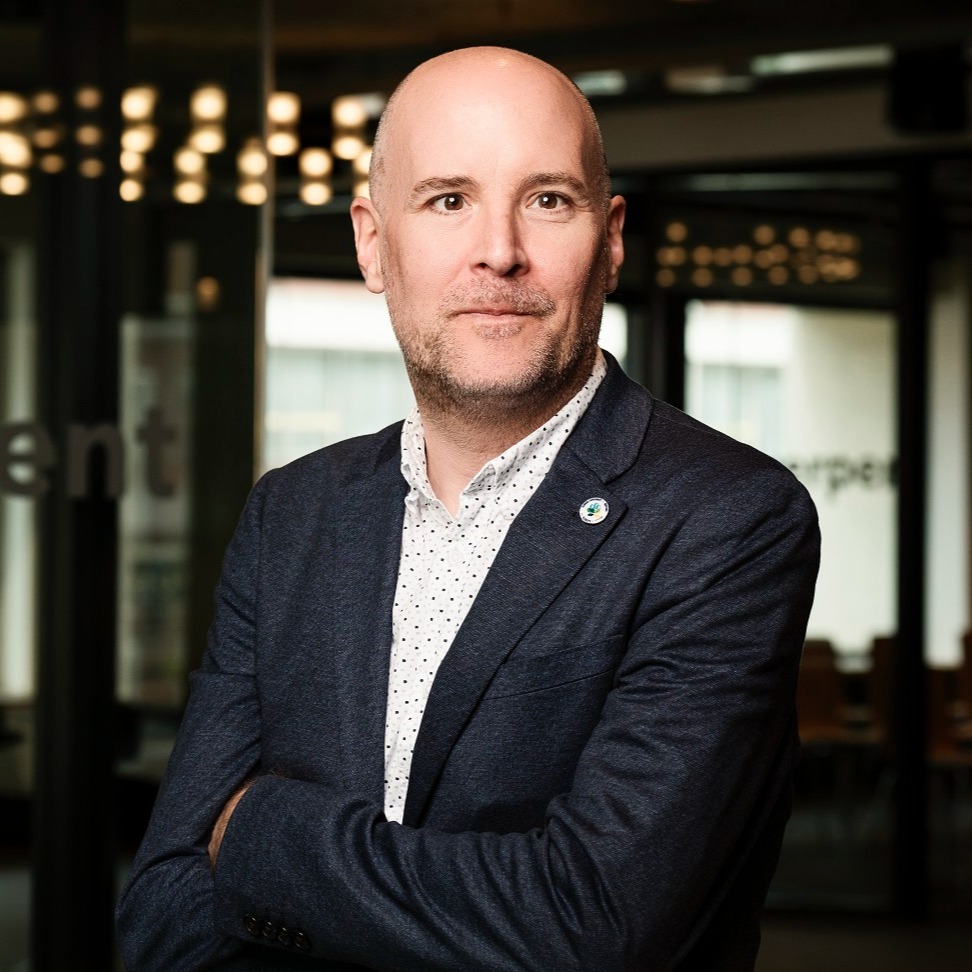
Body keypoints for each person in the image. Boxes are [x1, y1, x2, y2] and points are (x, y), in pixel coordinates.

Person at [116, 46, 819, 971]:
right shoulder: (293, 513)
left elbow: (594, 929)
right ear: (373, 244)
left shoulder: (727, 518)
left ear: (610, 239)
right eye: (449, 200)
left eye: (548, 200)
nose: (500, 251)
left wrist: (259, 833)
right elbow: (161, 915)